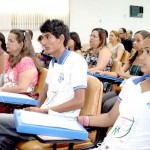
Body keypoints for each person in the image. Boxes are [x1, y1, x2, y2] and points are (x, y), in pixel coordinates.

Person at [0, 19, 87, 149]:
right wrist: (36, 110)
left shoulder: (76, 61)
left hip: (61, 121)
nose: (43, 42)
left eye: (48, 37)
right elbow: (46, 90)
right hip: (44, 117)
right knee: (3, 140)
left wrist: (43, 111)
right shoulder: (54, 62)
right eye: (43, 37)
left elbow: (79, 101)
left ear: (61, 38)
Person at [78, 32, 150, 149]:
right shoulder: (132, 84)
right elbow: (110, 117)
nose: (142, 56)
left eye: (149, 52)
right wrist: (79, 120)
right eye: (144, 51)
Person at [99, 30, 149, 113]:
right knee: (101, 99)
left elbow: (145, 79)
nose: (134, 43)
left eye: (138, 40)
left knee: (108, 105)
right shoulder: (134, 57)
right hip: (124, 87)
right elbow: (118, 73)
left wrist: (125, 76)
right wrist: (103, 72)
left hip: (135, 91)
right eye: (134, 40)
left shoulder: (147, 60)